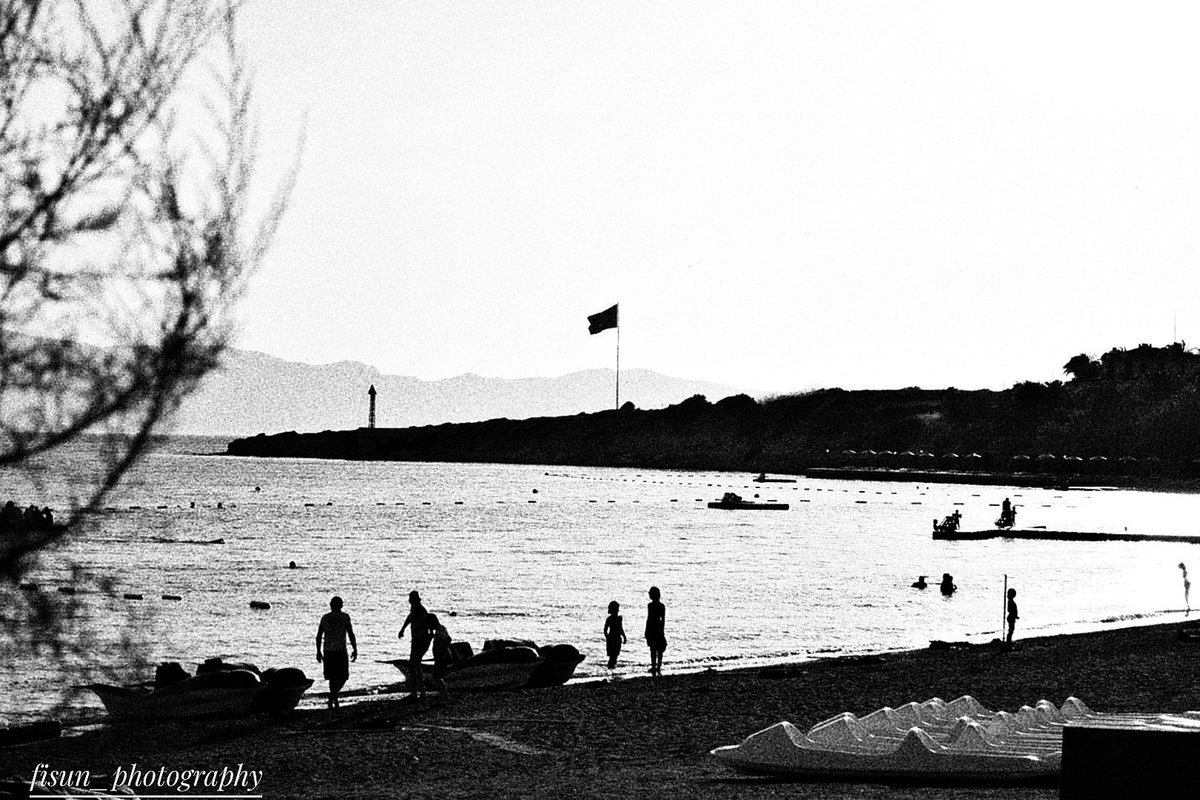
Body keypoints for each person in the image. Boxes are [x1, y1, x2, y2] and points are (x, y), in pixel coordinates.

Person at [315, 595, 357, 708]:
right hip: (339, 650)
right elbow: (351, 634)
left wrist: (318, 651)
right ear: (340, 605)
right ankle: (334, 698)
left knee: (333, 678)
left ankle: (332, 697)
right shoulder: (344, 617)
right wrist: (355, 648)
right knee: (342, 676)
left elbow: (318, 636)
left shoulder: (325, 618)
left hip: (329, 650)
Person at [399, 590, 431, 698]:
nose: (409, 601)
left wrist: (429, 638)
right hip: (416, 640)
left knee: (413, 665)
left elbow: (428, 625)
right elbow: (410, 618)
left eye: (411, 599)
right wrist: (403, 629)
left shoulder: (422, 611)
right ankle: (419, 691)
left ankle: (418, 692)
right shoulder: (414, 609)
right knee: (415, 665)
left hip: (421, 641)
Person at [427, 613, 453, 699]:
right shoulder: (439, 630)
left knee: (437, 676)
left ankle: (445, 696)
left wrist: (443, 649)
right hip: (440, 657)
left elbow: (448, 639)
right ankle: (444, 695)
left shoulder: (440, 629)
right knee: (438, 676)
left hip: (442, 657)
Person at [645, 586, 666, 676]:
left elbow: (649, 618)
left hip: (652, 628)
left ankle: (654, 666)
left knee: (653, 649)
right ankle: (658, 667)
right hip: (658, 628)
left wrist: (646, 630)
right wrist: (662, 630)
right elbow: (663, 620)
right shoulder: (662, 606)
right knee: (659, 649)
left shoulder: (650, 606)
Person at [604, 600, 627, 670]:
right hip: (614, 639)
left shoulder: (618, 619)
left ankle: (612, 667)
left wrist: (624, 636)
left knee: (614, 655)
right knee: (613, 656)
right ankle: (611, 667)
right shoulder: (610, 619)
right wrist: (608, 638)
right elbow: (605, 630)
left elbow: (620, 629)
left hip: (615, 639)